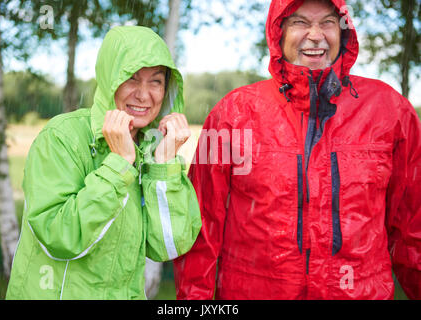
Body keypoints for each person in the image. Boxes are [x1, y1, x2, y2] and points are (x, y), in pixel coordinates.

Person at [173, 0, 421, 300]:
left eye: (328, 22)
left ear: (343, 32)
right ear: (279, 32)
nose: (315, 35)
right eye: (300, 22)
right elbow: (201, 228)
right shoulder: (233, 114)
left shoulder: (389, 111)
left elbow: (413, 228)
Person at [6, 26, 201, 300]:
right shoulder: (63, 137)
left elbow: (168, 246)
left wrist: (164, 163)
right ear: (110, 80)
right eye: (132, 78)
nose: (144, 95)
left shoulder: (151, 148)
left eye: (156, 82)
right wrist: (119, 164)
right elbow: (59, 236)